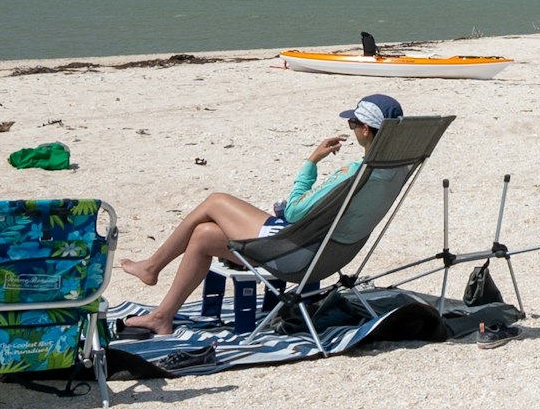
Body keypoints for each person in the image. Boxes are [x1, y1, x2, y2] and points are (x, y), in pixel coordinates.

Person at [116, 92, 400, 334]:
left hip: (300, 255)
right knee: (204, 235)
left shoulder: (353, 173)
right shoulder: (395, 170)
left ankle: (152, 267)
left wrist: (311, 161)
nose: (350, 127)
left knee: (215, 201)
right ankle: (161, 317)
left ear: (366, 130)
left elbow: (294, 211)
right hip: (334, 254)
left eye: (353, 122)